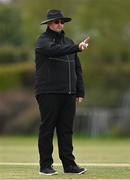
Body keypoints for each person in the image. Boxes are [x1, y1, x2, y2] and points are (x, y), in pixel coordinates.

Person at [35, 9, 89, 175]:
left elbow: (77, 68)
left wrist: (79, 91)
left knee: (66, 129)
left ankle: (69, 165)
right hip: (48, 92)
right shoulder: (42, 41)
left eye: (62, 22)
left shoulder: (69, 42)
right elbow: (55, 51)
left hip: (68, 93)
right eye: (56, 22)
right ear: (49, 24)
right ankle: (45, 166)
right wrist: (77, 47)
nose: (60, 24)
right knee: (48, 129)